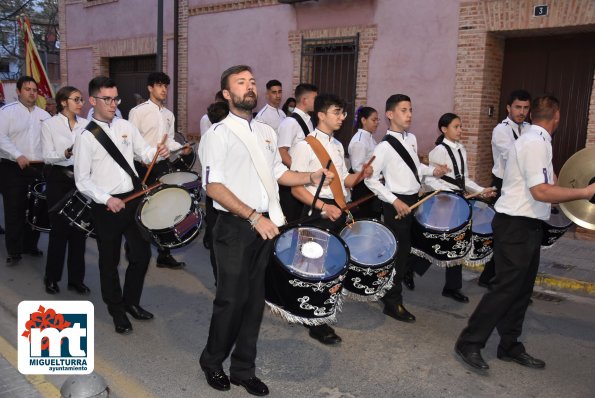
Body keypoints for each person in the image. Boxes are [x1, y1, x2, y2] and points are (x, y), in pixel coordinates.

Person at [198, 65, 331, 396]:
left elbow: (278, 173)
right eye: (241, 83)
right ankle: (212, 362)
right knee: (231, 300)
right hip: (234, 226)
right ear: (227, 94)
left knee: (255, 301)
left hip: (265, 227)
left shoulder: (266, 132)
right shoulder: (218, 134)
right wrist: (253, 217)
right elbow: (213, 186)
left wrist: (310, 177)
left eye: (252, 81)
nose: (250, 86)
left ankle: (243, 369)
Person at [455, 95, 595, 371]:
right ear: (557, 116)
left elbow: (547, 184)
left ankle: (509, 345)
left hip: (528, 225)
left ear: (533, 115)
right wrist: (585, 192)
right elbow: (541, 192)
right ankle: (469, 343)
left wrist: (566, 189)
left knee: (521, 290)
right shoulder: (533, 143)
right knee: (505, 289)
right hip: (515, 225)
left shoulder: (540, 140)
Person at [74, 76, 170, 334]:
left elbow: (143, 153)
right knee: (110, 261)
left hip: (133, 199)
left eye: (116, 98)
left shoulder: (126, 125)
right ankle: (116, 310)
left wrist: (157, 152)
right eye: (107, 99)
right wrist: (107, 198)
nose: (113, 103)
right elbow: (82, 180)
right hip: (107, 207)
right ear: (93, 101)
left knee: (141, 255)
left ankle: (131, 302)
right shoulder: (86, 136)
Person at [291, 93, 373, 345]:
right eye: (337, 112)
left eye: (343, 113)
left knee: (332, 266)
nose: (341, 118)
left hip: (338, 210)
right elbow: (296, 188)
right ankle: (315, 321)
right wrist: (323, 206)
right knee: (313, 268)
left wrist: (361, 175)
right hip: (318, 213)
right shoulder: (305, 145)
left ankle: (319, 310)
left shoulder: (338, 145)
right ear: (321, 115)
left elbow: (345, 181)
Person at [365, 94, 448, 323]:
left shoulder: (410, 138)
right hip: (397, 204)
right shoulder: (383, 147)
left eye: (410, 109)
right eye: (403, 110)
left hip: (413, 200)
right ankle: (392, 302)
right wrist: (394, 201)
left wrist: (434, 171)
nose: (409, 114)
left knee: (408, 250)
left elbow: (415, 167)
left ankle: (388, 291)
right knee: (399, 254)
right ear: (390, 114)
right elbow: (370, 180)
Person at [423, 113, 496, 303]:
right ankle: (410, 269)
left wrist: (481, 190)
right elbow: (430, 179)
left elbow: (464, 180)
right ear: (444, 129)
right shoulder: (438, 151)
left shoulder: (461, 149)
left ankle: (452, 287)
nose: (460, 130)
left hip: (460, 202)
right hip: (445, 204)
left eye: (460, 126)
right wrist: (448, 194)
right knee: (437, 242)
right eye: (456, 127)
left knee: (457, 243)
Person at [128, 71, 191, 270]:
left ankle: (164, 253)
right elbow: (130, 141)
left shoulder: (168, 114)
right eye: (159, 85)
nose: (164, 89)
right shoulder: (137, 112)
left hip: (162, 165)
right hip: (141, 165)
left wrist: (181, 147)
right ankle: (134, 248)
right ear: (150, 88)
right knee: (141, 208)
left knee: (166, 207)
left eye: (166, 86)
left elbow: (169, 140)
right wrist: (142, 159)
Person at [479, 90, 531, 287]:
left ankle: (491, 277)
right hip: (503, 185)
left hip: (521, 184)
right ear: (509, 108)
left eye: (526, 108)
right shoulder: (501, 130)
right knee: (503, 234)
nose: (522, 112)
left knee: (511, 234)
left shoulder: (528, 129)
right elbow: (514, 156)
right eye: (518, 107)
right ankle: (495, 279)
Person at [41, 86, 90, 295]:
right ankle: (51, 278)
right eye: (76, 99)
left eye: (82, 99)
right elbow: (47, 156)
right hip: (58, 180)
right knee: (59, 233)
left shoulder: (88, 125)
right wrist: (66, 152)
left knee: (79, 232)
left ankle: (76, 280)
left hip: (81, 180)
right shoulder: (49, 124)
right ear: (63, 102)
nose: (81, 103)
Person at [0, 76, 51, 265]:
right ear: (19, 91)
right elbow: (1, 137)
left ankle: (30, 245)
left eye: (34, 90)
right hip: (12, 168)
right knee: (15, 210)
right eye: (27, 89)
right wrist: (17, 154)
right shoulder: (6, 112)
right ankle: (14, 251)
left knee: (35, 208)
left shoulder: (44, 115)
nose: (31, 93)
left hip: (37, 168)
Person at [277, 83, 318, 222]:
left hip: (305, 181)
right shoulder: (290, 123)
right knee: (290, 221)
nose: (317, 102)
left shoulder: (309, 121)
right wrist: (298, 174)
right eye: (314, 98)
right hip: (291, 183)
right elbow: (282, 152)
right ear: (304, 100)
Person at [348, 106, 382, 219]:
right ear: (363, 120)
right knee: (363, 218)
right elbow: (357, 168)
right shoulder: (359, 140)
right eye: (374, 120)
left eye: (378, 120)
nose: (377, 123)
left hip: (371, 183)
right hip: (362, 186)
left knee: (373, 217)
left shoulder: (370, 137)